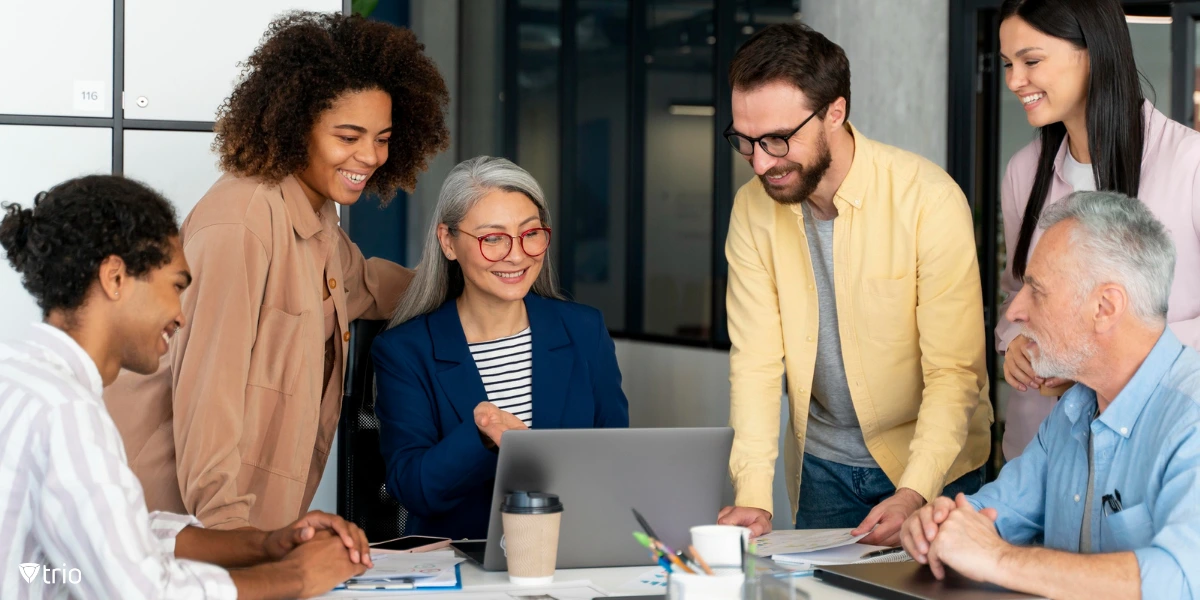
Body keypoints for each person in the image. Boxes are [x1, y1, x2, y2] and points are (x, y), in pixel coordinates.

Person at [104, 12, 451, 531]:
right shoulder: (242, 220)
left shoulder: (314, 217)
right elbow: (207, 391)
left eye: (382, 138)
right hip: (176, 525)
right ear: (296, 125)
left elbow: (366, 287)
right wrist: (234, 541)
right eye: (348, 135)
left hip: (250, 526)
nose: (370, 156)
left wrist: (469, 271)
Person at [0, 175, 374, 600]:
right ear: (115, 278)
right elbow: (138, 590)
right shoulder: (65, 413)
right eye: (176, 287)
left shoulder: (23, 377)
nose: (181, 315)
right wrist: (297, 578)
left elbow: (122, 535)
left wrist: (267, 543)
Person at [716, 23, 992, 545]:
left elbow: (954, 373)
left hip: (935, 464)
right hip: (824, 467)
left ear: (835, 113)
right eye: (745, 140)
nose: (760, 161)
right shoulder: (751, 209)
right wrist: (752, 493)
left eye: (777, 139)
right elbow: (754, 360)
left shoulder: (928, 200)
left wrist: (915, 491)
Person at [901, 191, 1200, 599]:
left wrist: (999, 559)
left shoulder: (1191, 419)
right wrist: (942, 522)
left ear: (1105, 307)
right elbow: (994, 513)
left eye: (1037, 291)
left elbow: (1183, 580)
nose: (1015, 312)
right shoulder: (1073, 411)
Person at [372, 156, 629, 539]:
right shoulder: (405, 350)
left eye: (531, 233)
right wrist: (482, 435)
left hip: (570, 553)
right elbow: (414, 489)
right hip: (460, 561)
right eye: (492, 238)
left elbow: (615, 458)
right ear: (448, 242)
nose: (517, 254)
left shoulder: (583, 329)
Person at [996, 0, 1200, 459]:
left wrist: (1101, 356)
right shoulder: (1024, 173)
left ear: (1093, 51)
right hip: (1040, 454)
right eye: (1009, 64)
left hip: (1157, 450)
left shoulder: (1190, 164)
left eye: (1031, 61)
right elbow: (1019, 296)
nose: (1014, 81)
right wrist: (1018, 348)